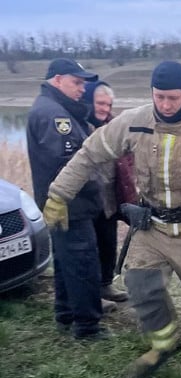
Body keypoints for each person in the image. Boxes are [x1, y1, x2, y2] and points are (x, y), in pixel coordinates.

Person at [41, 60, 181, 378]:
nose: (165, 105)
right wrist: (58, 195)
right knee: (138, 284)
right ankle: (166, 343)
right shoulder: (133, 122)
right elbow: (89, 153)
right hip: (151, 227)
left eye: (173, 98)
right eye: (159, 96)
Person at [26, 58, 109, 340]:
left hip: (62, 204)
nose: (82, 89)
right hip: (70, 205)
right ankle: (87, 328)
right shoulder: (54, 115)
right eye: (76, 82)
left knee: (65, 262)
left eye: (84, 84)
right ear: (58, 80)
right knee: (83, 262)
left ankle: (66, 314)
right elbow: (68, 164)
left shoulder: (53, 108)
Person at [81, 80, 130, 307]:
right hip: (88, 198)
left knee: (108, 243)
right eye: (100, 103)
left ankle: (106, 284)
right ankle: (92, 294)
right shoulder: (80, 125)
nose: (105, 109)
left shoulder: (114, 125)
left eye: (108, 105)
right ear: (89, 102)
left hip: (109, 197)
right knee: (89, 249)